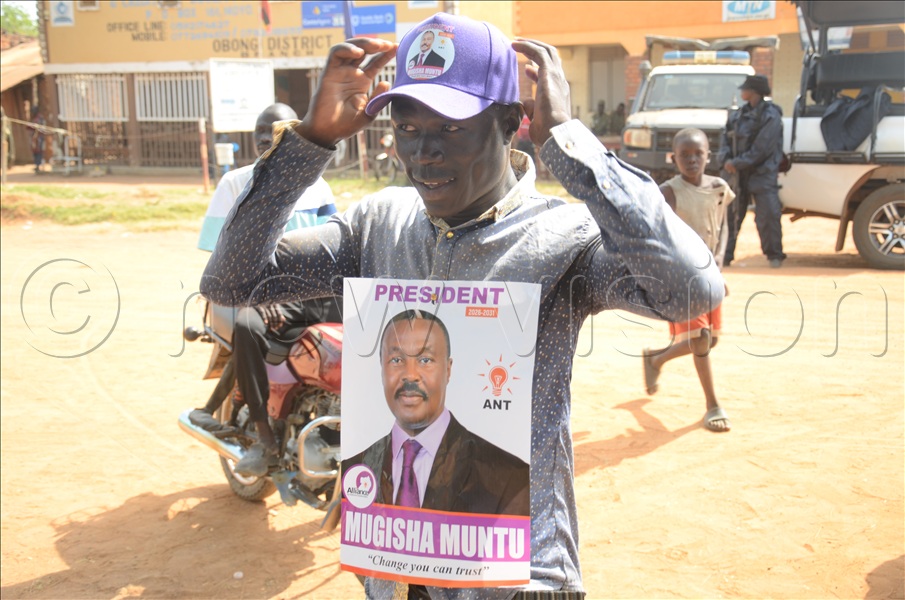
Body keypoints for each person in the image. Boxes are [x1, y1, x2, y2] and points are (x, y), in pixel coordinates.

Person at [201, 12, 723, 598]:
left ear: (509, 123)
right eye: (406, 128)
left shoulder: (563, 239)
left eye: (449, 129)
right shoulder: (378, 227)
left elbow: (691, 291)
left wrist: (573, 147)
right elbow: (232, 282)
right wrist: (310, 142)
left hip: (519, 579)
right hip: (396, 577)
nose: (423, 153)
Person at [189, 102, 341, 477]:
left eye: (278, 138)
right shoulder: (235, 183)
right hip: (253, 292)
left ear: (294, 140)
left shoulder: (317, 184)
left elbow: (336, 245)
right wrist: (259, 294)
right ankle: (264, 438)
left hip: (309, 293)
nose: (268, 145)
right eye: (261, 138)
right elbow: (218, 256)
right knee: (247, 327)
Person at [342, 309, 530, 516]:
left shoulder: (508, 479)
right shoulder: (353, 468)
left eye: (425, 360)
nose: (410, 375)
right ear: (381, 368)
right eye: (396, 360)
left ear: (448, 370)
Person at [643, 128, 734, 433]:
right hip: (681, 276)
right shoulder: (668, 192)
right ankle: (713, 405)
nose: (692, 160)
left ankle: (656, 359)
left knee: (711, 338)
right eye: (685, 155)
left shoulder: (720, 188)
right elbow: (660, 238)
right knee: (701, 339)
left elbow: (722, 231)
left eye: (698, 154)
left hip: (711, 274)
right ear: (674, 158)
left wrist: (719, 267)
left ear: (709, 155)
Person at [718, 74, 786, 268]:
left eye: (745, 89)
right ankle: (725, 255)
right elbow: (725, 139)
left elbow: (762, 148)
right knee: (730, 216)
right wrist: (726, 160)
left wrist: (736, 162)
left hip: (762, 172)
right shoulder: (738, 115)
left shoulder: (771, 115)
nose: (741, 92)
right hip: (738, 174)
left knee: (768, 215)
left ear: (754, 92)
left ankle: (774, 255)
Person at [30, 106, 45, 174]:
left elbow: (41, 128)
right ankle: (36, 165)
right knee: (35, 151)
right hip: (35, 138)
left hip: (39, 137)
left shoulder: (40, 118)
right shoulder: (34, 118)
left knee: (39, 151)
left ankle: (38, 165)